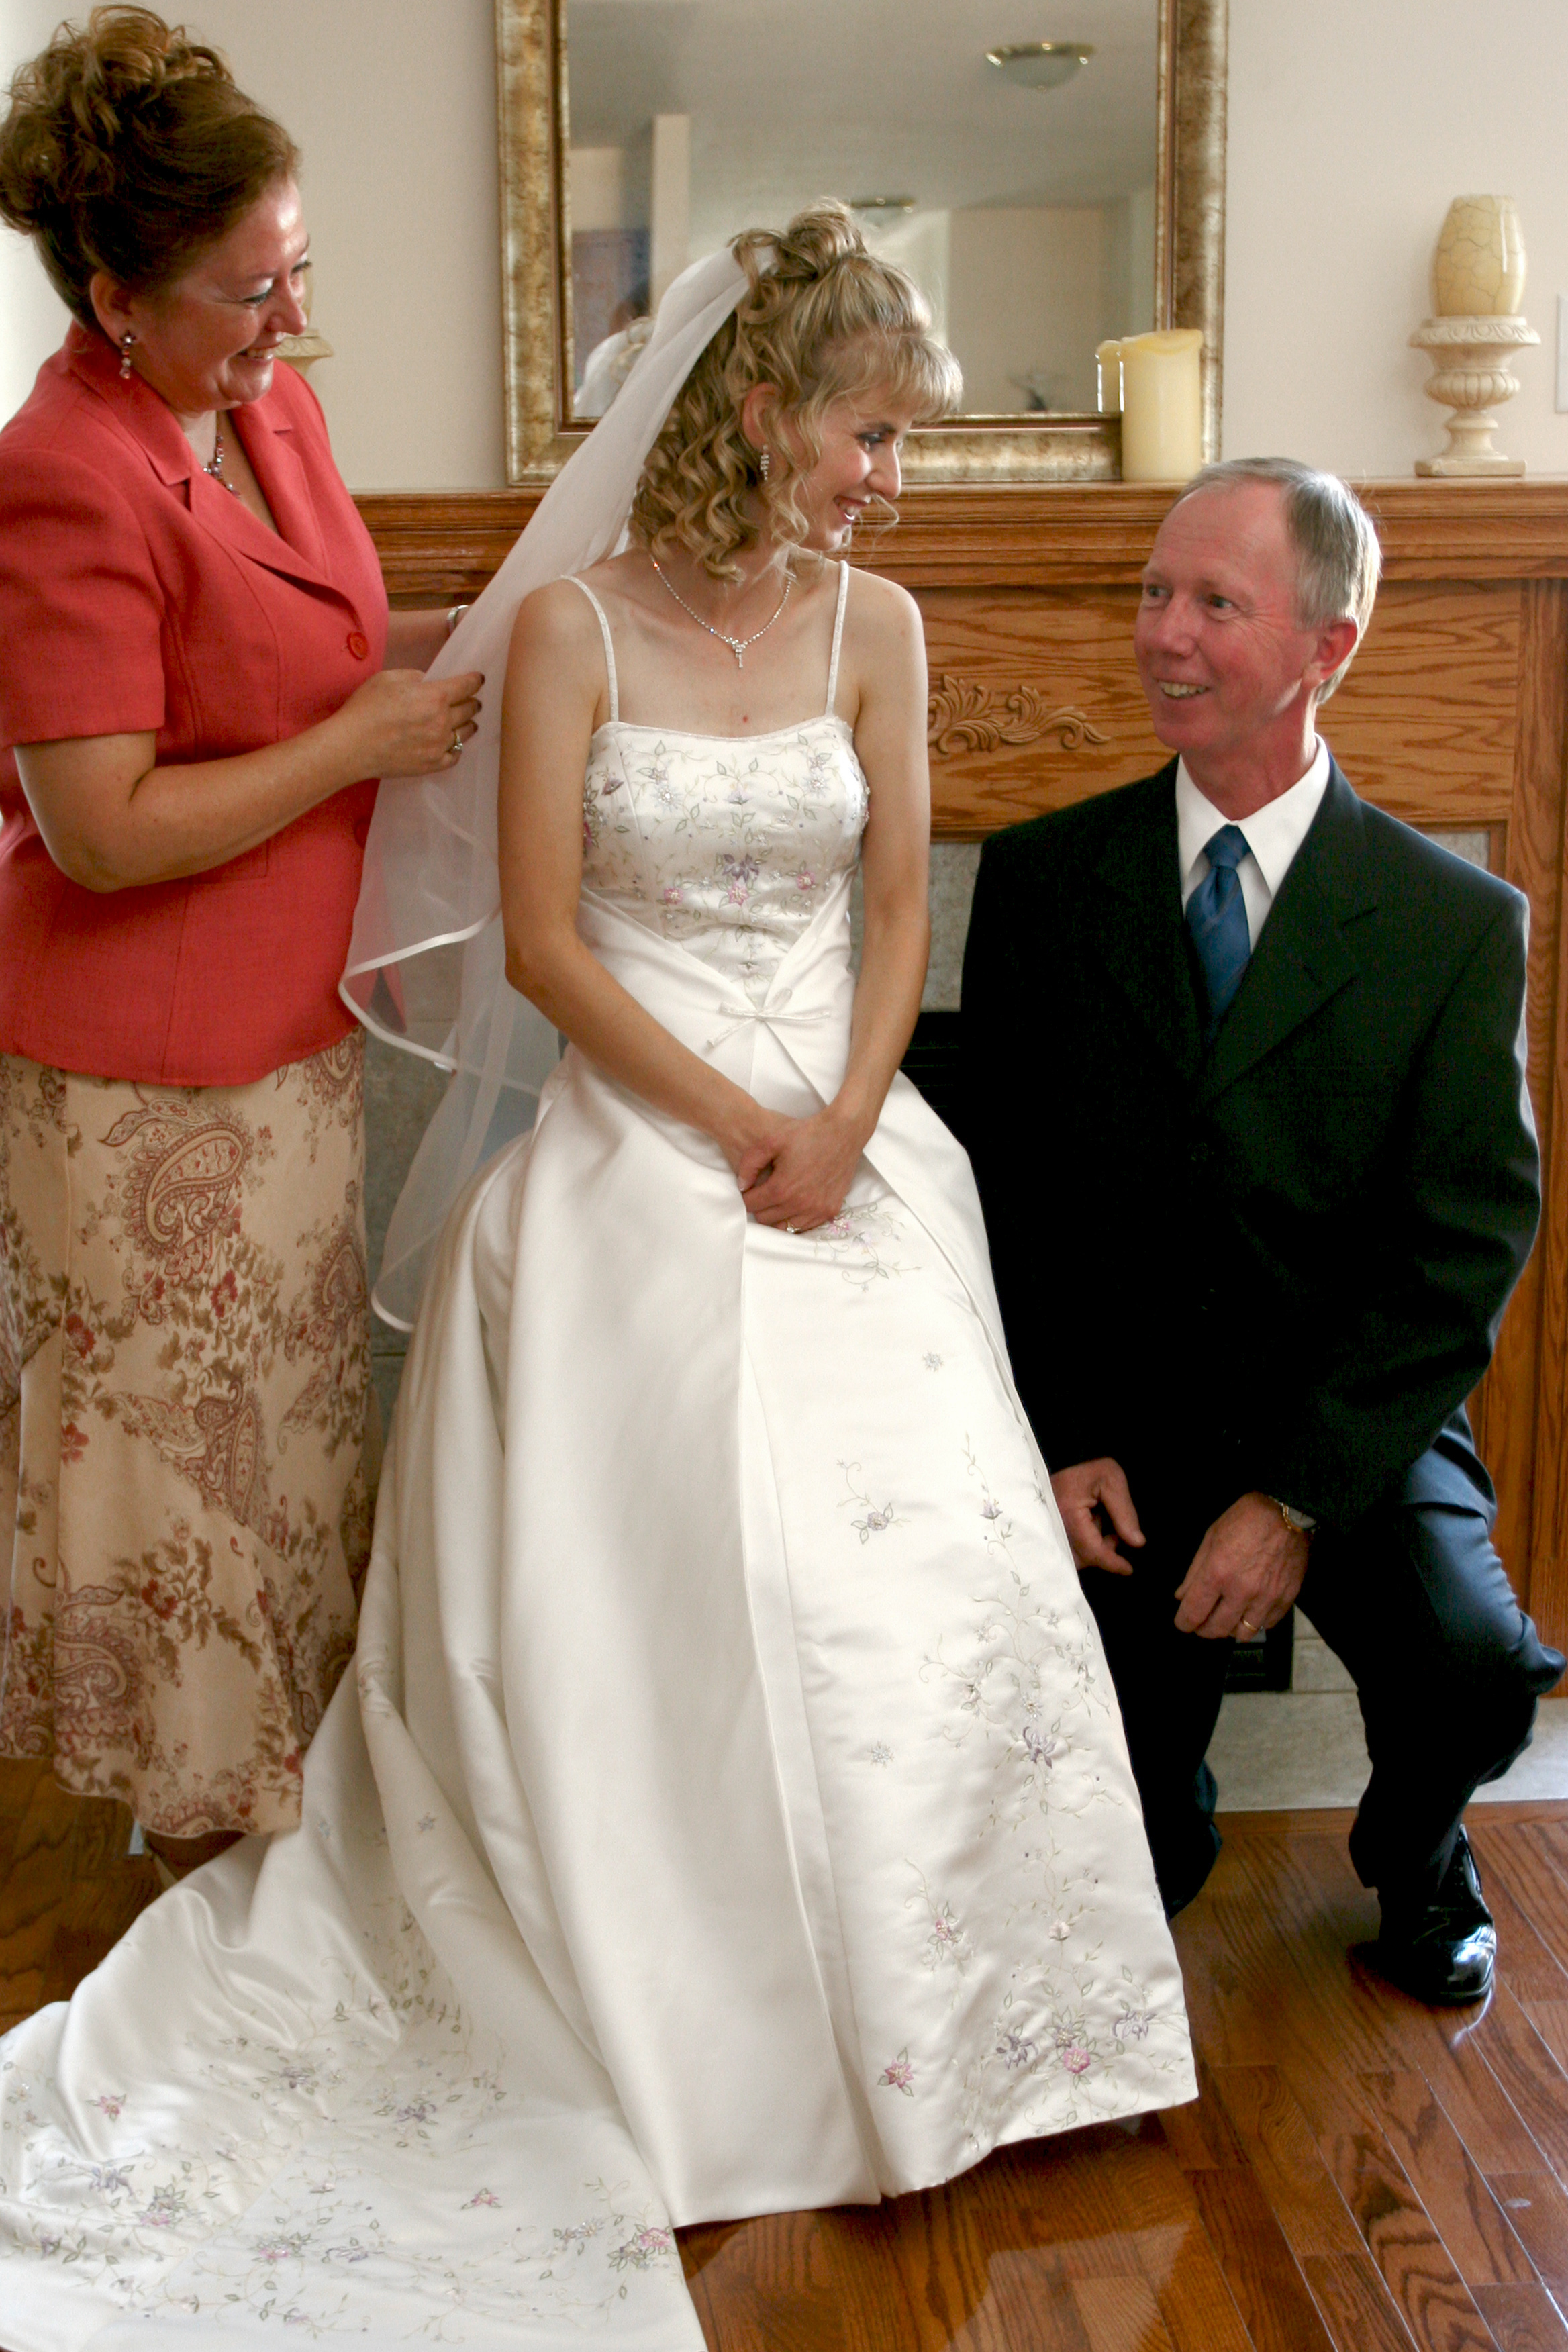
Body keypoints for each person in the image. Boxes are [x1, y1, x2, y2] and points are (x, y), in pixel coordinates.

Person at [0, 209, 1192, 2347]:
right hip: (641, 1144)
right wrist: (724, 1124)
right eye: (871, 433)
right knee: (671, 1563)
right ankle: (687, 2026)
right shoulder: (568, 627)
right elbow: (546, 942)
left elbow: (906, 907)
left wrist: (839, 1115)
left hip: (849, 1141)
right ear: (758, 410)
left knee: (914, 1572)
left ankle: (996, 2030)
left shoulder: (881, 628)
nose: (894, 477)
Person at [962, 456, 1563, 2004]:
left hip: (1342, 1427)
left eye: (1214, 603)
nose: (1163, 633)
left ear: (1326, 648)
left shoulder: (1448, 922)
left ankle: (1417, 1852)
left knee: (1476, 1667)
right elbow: (1005, 1186)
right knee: (1136, 1876)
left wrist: (1297, 1495)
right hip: (1121, 1439)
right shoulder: (1040, 885)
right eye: (1154, 594)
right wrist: (1064, 1431)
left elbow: (1463, 1242)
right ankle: (1167, 1805)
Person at [0, 9, 481, 1874]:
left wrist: (529, 640)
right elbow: (103, 824)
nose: (287, 322)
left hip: (292, 1046)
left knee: (286, 1474)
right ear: (115, 296)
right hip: (137, 1099)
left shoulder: (268, 401)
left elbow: (323, 641)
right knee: (186, 1513)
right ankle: (214, 1881)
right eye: (245, 289)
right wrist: (364, 741)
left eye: (298, 272)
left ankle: (283, 1849)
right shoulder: (62, 473)